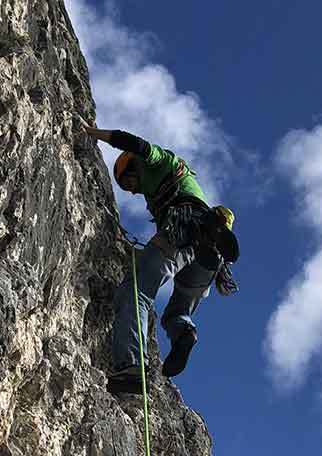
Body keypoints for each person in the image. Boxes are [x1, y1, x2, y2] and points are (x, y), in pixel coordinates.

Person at [84, 126, 239, 394]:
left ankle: (131, 367)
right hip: (204, 258)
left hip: (183, 230)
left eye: (126, 182)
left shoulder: (157, 162)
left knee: (135, 294)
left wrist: (92, 132)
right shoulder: (165, 190)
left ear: (132, 166)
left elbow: (134, 143)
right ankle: (184, 333)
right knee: (176, 313)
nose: (131, 191)